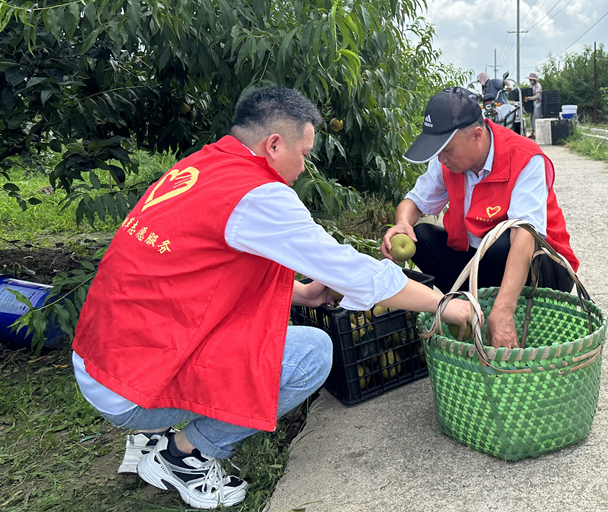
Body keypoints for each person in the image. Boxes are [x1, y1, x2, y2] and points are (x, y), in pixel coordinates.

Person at [71, 86, 471, 509]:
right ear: (274, 144)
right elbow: (353, 271)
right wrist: (443, 302)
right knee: (312, 354)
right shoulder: (257, 193)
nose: (304, 165)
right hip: (133, 385)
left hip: (105, 360)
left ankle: (152, 434)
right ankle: (184, 454)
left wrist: (301, 293)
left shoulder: (203, 167)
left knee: (271, 326)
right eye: (304, 152)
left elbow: (206, 267)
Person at [380, 86, 579, 350]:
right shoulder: (447, 163)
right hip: (483, 262)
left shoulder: (525, 158)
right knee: (424, 237)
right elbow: (413, 202)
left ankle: (504, 310)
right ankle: (475, 304)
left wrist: (504, 311)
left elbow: (525, 236)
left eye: (447, 150)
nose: (441, 158)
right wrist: (403, 223)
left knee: (503, 240)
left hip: (543, 269)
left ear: (476, 136)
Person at [524, 72, 542, 138]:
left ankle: (537, 133)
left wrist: (529, 98)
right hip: (532, 105)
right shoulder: (531, 86)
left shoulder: (538, 86)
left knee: (536, 118)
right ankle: (532, 133)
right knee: (532, 118)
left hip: (537, 104)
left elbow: (537, 96)